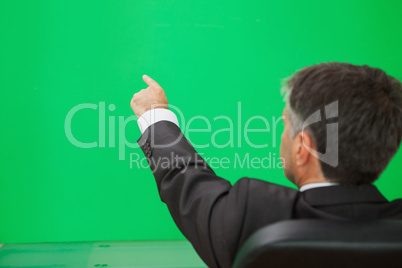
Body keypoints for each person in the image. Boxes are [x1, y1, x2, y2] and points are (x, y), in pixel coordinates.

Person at [130, 62, 402, 268]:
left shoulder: (253, 215)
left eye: (285, 124)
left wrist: (155, 115)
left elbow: (185, 179)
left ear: (302, 147)